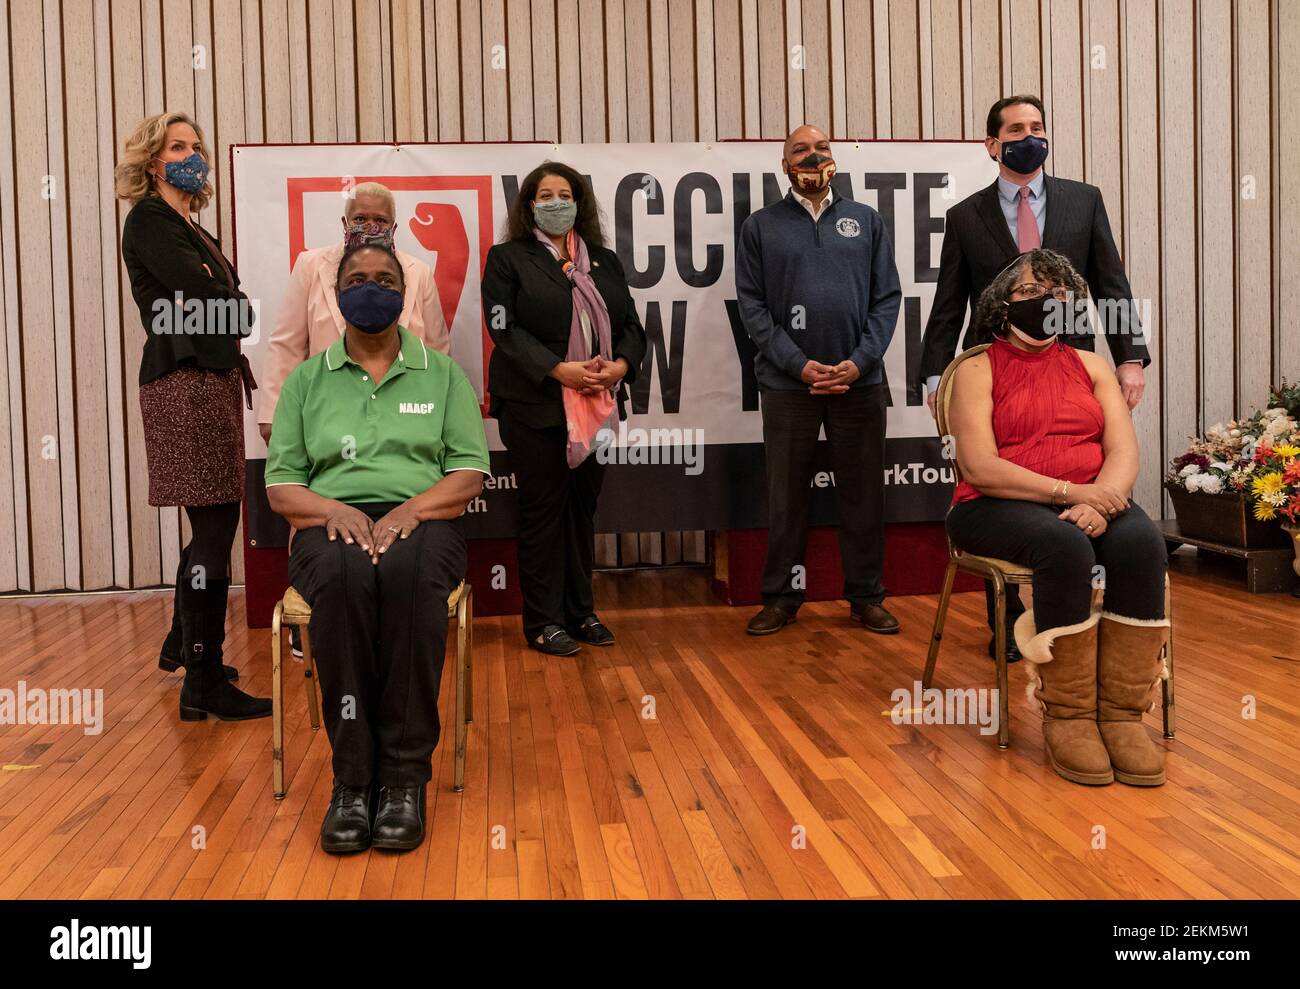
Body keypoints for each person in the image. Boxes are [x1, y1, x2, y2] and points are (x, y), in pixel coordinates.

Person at [265, 243, 489, 853]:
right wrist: (333, 509)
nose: (372, 288)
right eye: (358, 280)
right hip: (326, 523)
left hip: (423, 521)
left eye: (386, 279)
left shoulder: (442, 376)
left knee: (413, 578)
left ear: (406, 293)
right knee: (341, 581)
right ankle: (352, 781)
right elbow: (282, 487)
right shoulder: (307, 382)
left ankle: (402, 781)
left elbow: (468, 474)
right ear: (337, 297)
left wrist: (409, 512)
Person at [918, 94, 1153, 664]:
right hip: (995, 361)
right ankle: (1009, 615)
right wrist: (933, 375)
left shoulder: (1083, 200)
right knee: (1010, 476)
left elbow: (1110, 284)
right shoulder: (965, 215)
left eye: (1038, 126)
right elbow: (949, 303)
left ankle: (1117, 669)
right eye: (1017, 129)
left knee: (1085, 469)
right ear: (993, 144)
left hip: (1071, 358)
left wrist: (1130, 358)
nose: (1030, 136)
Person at [944, 248, 1168, 787]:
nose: (1044, 301)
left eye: (1057, 294)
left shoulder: (1091, 365)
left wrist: (1100, 499)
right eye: (1029, 292)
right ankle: (1068, 717)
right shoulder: (976, 369)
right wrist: (1071, 494)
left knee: (1143, 545)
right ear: (1002, 305)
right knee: (1064, 548)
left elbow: (1123, 450)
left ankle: (1119, 715)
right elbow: (981, 466)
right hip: (995, 506)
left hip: (1095, 497)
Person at [116, 110, 270, 721]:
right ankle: (202, 680)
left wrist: (224, 299)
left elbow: (232, 308)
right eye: (179, 146)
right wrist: (224, 299)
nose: (192, 154)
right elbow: (210, 300)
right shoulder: (150, 220)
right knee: (212, 529)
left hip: (210, 382)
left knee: (208, 526)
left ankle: (186, 644)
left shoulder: (188, 224)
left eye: (197, 146)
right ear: (154, 160)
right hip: (186, 384)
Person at [736, 124, 903, 637]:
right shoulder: (760, 226)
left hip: (860, 381)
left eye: (822, 149)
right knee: (787, 496)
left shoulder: (866, 220)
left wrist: (860, 360)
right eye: (801, 150)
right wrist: (798, 364)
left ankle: (866, 597)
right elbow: (753, 307)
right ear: (784, 165)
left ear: (835, 160)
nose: (813, 156)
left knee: (863, 494)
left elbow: (887, 298)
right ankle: (781, 598)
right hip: (790, 387)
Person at [479, 161, 647, 656]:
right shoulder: (507, 258)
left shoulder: (606, 262)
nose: (556, 202)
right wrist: (559, 370)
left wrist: (620, 366)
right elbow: (503, 328)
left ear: (580, 202)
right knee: (542, 511)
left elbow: (633, 327)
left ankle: (582, 612)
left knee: (581, 510)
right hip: (535, 405)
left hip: (595, 405)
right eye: (545, 195)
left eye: (565, 193)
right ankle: (543, 621)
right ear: (529, 205)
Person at [257, 181, 450, 443]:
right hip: (327, 406)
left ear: (394, 228)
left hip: (404, 407)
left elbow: (436, 349)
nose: (370, 227)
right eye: (360, 218)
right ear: (344, 223)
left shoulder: (419, 272)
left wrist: (441, 411)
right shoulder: (310, 266)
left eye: (380, 220)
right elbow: (287, 344)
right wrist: (273, 413)